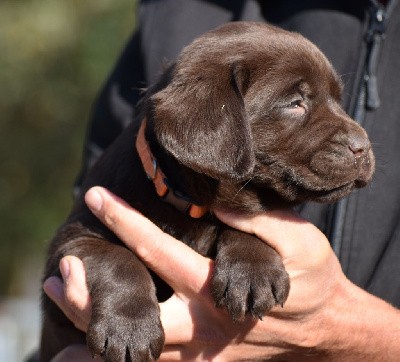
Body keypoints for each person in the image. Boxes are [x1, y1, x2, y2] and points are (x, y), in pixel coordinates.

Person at [43, 0, 400, 360]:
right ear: (214, 130)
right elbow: (75, 252)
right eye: (297, 103)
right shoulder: (177, 13)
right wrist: (117, 288)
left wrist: (341, 327)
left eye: (335, 103)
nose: (357, 140)